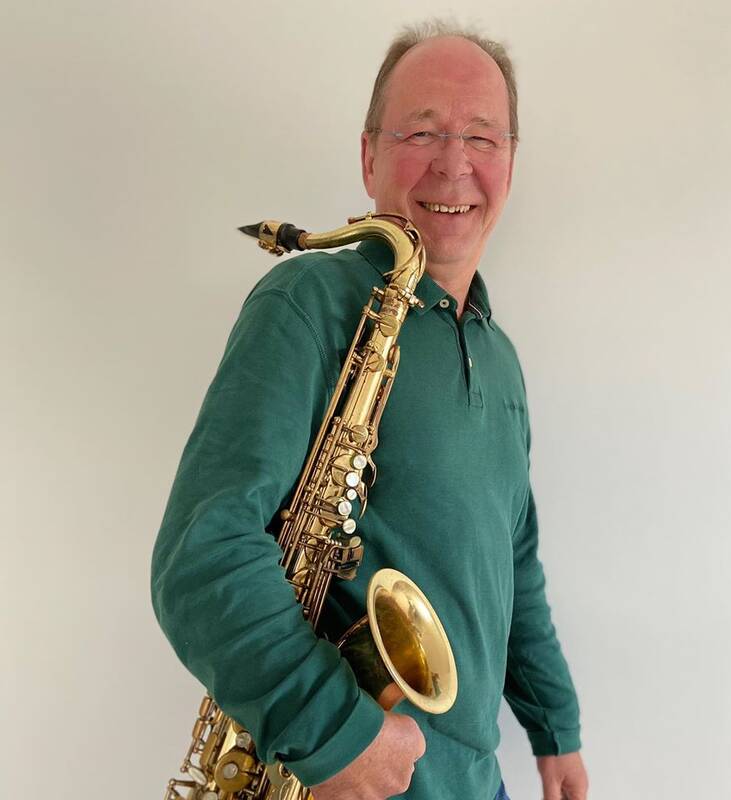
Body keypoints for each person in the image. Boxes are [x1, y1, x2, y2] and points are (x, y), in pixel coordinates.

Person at [152, 21, 588, 800]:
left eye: (481, 136)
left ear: (510, 163)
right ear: (369, 157)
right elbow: (202, 555)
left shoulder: (502, 359)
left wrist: (557, 731)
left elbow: (513, 562)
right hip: (349, 775)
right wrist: (333, 731)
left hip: (475, 782)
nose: (454, 163)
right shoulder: (308, 300)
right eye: (421, 131)